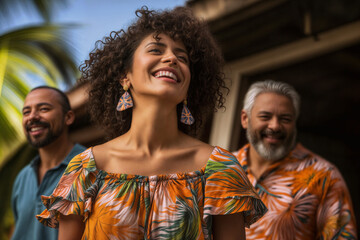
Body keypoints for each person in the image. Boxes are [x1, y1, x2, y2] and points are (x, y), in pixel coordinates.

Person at [36, 6, 267, 240]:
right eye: (156, 49)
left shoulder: (220, 168)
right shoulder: (85, 169)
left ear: (189, 86)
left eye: (182, 57)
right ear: (125, 75)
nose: (171, 58)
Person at [232, 80, 357, 239]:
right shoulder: (223, 168)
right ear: (245, 119)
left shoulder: (324, 175)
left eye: (285, 119)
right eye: (265, 116)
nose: (275, 126)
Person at [11, 86, 86, 240]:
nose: (32, 117)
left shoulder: (90, 166)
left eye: (43, 109)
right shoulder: (23, 177)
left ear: (68, 117)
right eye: (26, 112)